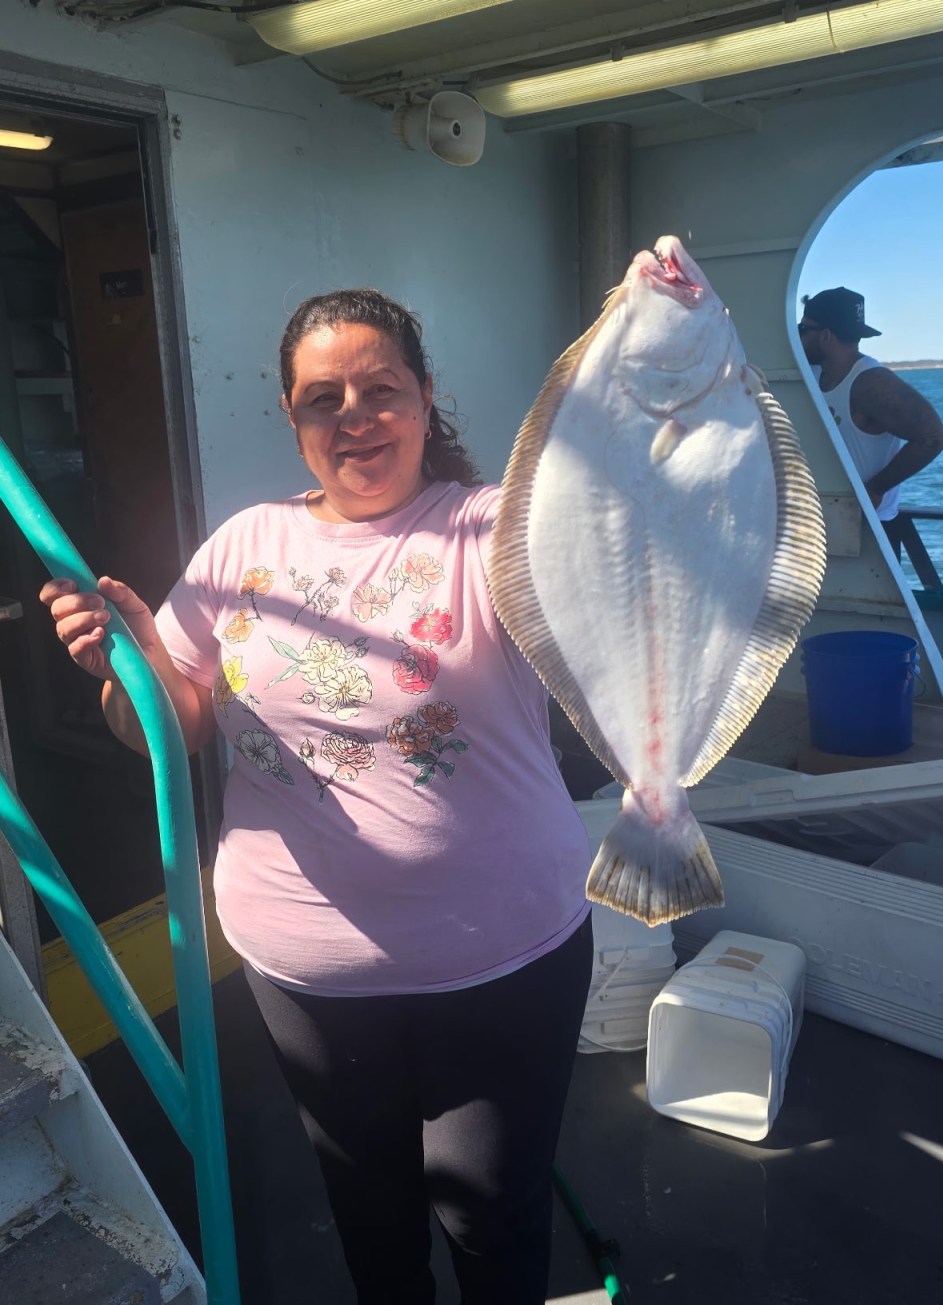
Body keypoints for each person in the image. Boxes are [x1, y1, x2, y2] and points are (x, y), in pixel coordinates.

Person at [40, 289, 594, 1305]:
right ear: (294, 423)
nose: (354, 417)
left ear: (427, 400)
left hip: (502, 957)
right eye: (321, 399)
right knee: (372, 1222)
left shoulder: (493, 531)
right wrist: (127, 670)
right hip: (304, 970)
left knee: (490, 1218)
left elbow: (606, 549)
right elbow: (173, 729)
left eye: (380, 389)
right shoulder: (246, 547)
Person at [797, 286, 943, 546]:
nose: (797, 337)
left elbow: (933, 437)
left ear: (826, 336)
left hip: (870, 529)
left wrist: (875, 488)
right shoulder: (813, 373)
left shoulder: (870, 382)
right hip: (822, 524)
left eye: (803, 330)